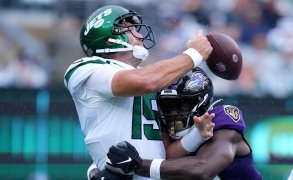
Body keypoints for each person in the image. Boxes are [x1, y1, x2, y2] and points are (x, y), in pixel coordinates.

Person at [63, 4, 213, 180]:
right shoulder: (86, 69)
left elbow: (163, 157)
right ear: (107, 39)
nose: (140, 35)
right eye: (130, 30)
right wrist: (194, 54)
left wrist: (197, 135)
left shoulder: (148, 76)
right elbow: (146, 81)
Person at [102, 67, 263, 179]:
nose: (173, 113)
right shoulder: (159, 129)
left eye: (182, 104)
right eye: (168, 105)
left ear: (202, 101)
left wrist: (138, 165)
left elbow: (203, 169)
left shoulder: (220, 120)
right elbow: (165, 159)